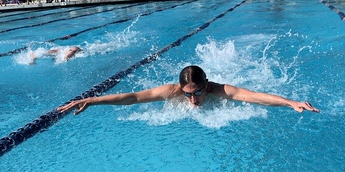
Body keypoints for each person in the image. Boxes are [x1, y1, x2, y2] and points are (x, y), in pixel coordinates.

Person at [57, 65, 319, 115]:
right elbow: (135, 98)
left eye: (197, 93)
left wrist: (289, 102)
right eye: (188, 94)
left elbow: (251, 96)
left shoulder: (217, 90)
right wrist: (94, 99)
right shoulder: (173, 91)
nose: (193, 100)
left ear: (206, 85)